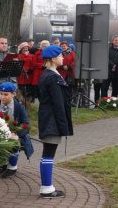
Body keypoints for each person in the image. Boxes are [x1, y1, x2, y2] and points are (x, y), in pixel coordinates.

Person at [38, 45, 73, 198]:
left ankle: (46, 186)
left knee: (47, 153)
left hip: (48, 118)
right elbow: (58, 103)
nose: (63, 58)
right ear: (53, 59)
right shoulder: (52, 77)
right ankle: (46, 188)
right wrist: (63, 125)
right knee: (48, 154)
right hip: (51, 119)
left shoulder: (49, 74)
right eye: (60, 55)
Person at [0, 82, 32, 178]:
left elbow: (27, 125)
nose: (3, 97)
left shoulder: (19, 107)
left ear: (13, 94)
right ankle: (3, 163)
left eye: (6, 94)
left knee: (14, 143)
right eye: (1, 94)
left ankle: (12, 167)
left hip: (14, 134)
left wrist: (17, 133)